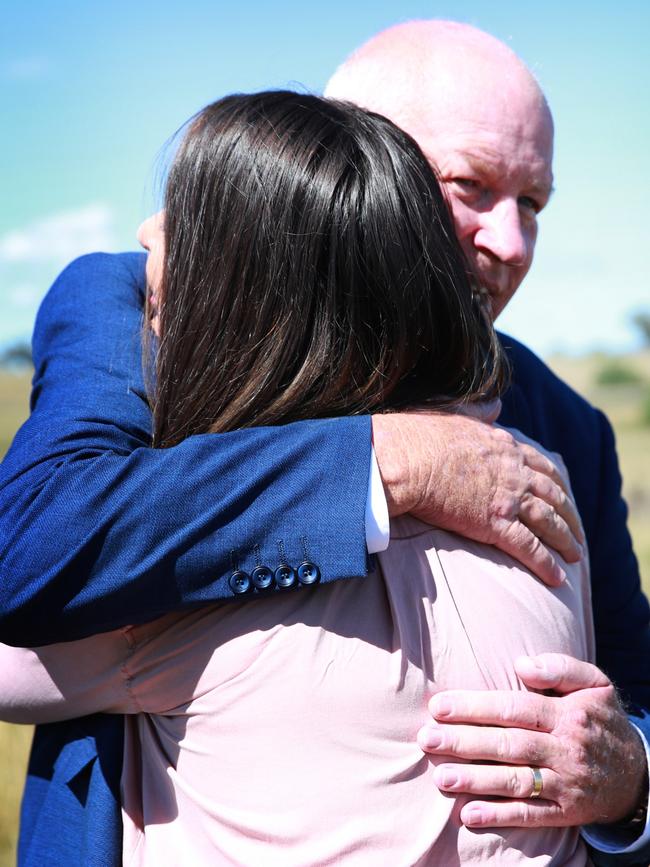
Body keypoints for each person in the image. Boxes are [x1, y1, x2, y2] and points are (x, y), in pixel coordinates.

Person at [0, 19, 647, 867]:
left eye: (533, 202)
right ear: (352, 160)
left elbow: (633, 682)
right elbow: (40, 540)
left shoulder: (563, 422)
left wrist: (631, 772)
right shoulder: (131, 309)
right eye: (471, 187)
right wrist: (387, 459)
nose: (513, 243)